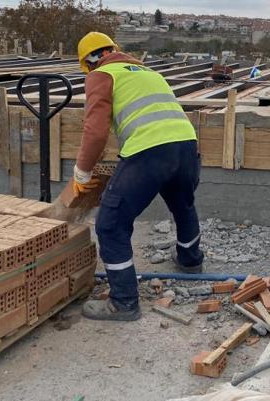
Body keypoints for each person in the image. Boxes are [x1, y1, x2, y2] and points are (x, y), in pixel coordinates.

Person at [74, 32, 204, 321]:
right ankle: (190, 261)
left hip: (149, 152)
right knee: (183, 205)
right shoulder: (149, 73)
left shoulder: (102, 75)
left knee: (110, 224)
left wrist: (82, 171)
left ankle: (123, 303)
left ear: (89, 62)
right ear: (113, 50)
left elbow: (95, 131)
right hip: (186, 146)